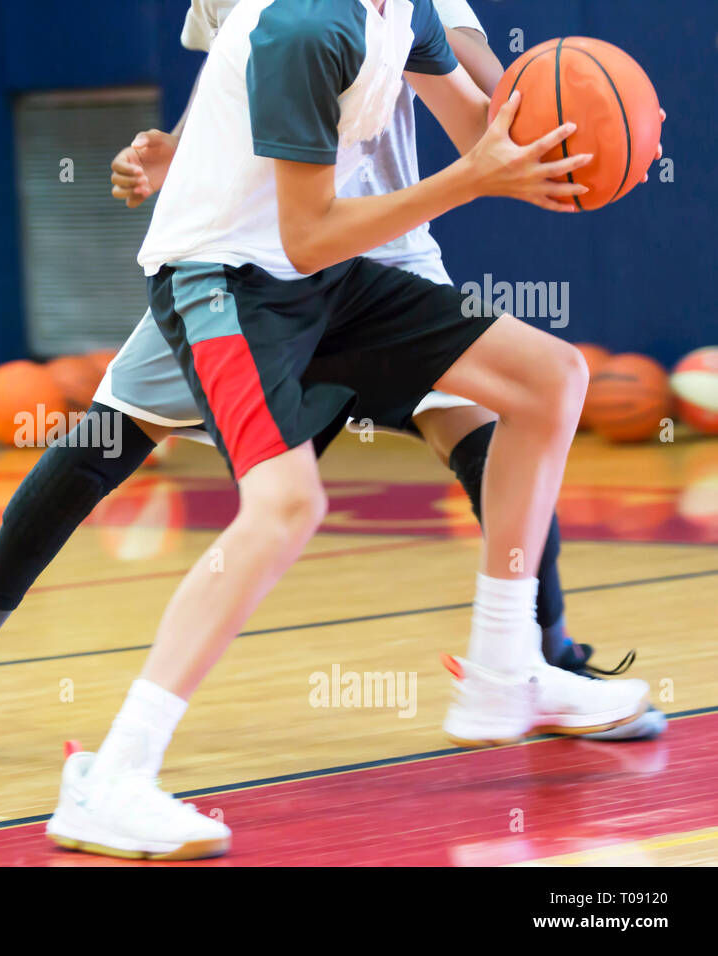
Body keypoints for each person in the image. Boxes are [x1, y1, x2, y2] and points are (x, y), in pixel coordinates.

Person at [0, 0, 662, 780]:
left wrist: (573, 129)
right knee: (98, 452)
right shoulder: (288, 22)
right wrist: (177, 147)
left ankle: (530, 661)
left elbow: (479, 79)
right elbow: (242, 76)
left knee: (507, 421)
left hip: (387, 245)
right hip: (245, 259)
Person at [40, 0, 663, 860]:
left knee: (552, 379)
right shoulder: (304, 26)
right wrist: (477, 176)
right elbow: (306, 233)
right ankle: (112, 778)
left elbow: (490, 133)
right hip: (226, 278)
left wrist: (591, 144)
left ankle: (502, 666)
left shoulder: (404, 7)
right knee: (286, 506)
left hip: (325, 273)